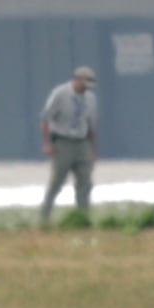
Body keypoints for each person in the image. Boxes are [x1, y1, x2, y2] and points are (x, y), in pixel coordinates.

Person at [38, 66, 98, 225]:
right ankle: (44, 217)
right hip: (63, 143)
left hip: (82, 142)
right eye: (83, 83)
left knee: (85, 183)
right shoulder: (60, 94)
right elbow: (45, 119)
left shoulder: (91, 99)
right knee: (57, 182)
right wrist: (47, 143)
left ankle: (83, 218)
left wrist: (92, 150)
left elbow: (91, 125)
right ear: (76, 79)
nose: (85, 88)